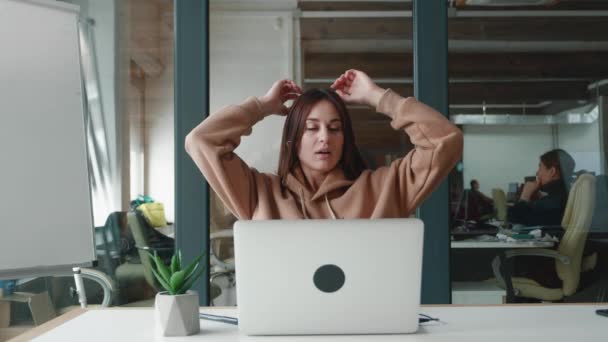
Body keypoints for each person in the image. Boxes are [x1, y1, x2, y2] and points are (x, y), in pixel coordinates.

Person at [185, 69, 463, 220]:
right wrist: (262, 106)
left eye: (335, 129)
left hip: (368, 321)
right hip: (286, 321)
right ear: (293, 140)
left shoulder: (385, 188)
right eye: (311, 128)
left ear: (345, 139)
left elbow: (444, 141)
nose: (324, 138)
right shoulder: (259, 194)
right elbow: (202, 141)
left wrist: (377, 97)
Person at [507, 149, 575, 226]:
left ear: (552, 171)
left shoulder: (554, 202)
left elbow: (512, 219)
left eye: (540, 167)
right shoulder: (566, 194)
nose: (537, 173)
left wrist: (525, 196)